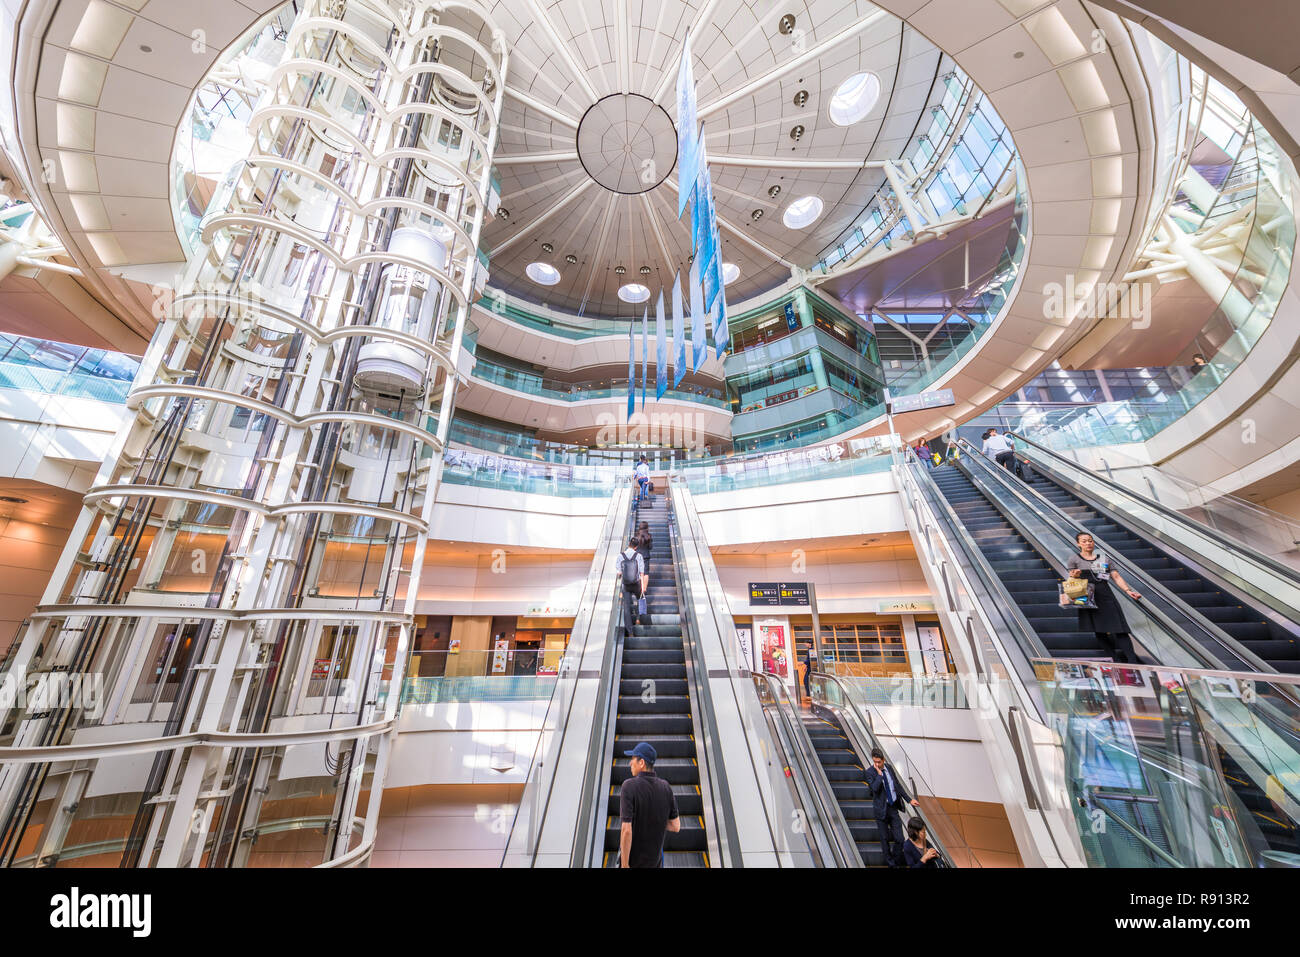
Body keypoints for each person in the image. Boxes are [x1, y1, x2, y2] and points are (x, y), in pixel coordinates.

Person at [1065, 531, 1142, 663]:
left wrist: (1128, 591)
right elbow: (1070, 580)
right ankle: (1116, 660)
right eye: (1084, 541)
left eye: (1090, 540)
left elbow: (1116, 576)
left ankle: (1132, 661)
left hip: (1105, 595)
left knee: (1120, 629)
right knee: (1099, 630)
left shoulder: (1103, 559)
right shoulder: (1074, 559)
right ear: (1078, 544)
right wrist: (1075, 575)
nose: (1088, 543)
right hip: (1087, 596)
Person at [619, 741, 680, 868]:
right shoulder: (666, 787)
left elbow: (626, 830)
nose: (630, 763)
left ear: (641, 762)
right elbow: (675, 826)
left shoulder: (628, 786)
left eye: (633, 759)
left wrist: (624, 865)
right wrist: (653, 821)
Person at [865, 747, 918, 867]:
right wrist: (879, 776)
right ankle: (892, 865)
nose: (877, 764)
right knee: (885, 840)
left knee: (900, 839)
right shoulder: (870, 772)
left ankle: (895, 859)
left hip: (893, 808)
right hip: (880, 810)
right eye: (875, 762)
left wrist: (909, 800)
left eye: (879, 762)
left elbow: (897, 785)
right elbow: (874, 789)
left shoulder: (889, 768)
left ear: (883, 759)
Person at [615, 537, 644, 637]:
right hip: (636, 583)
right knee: (638, 600)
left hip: (626, 584)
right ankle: (638, 618)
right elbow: (642, 572)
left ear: (629, 544)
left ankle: (630, 632)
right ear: (636, 547)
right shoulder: (639, 556)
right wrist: (643, 586)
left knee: (626, 608)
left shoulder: (620, 556)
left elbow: (618, 572)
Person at [635, 520, 652, 598]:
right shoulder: (649, 536)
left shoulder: (636, 536)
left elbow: (634, 547)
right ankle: (644, 589)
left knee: (639, 572)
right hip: (645, 556)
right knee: (646, 573)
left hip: (638, 557)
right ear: (647, 528)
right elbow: (650, 547)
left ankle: (639, 588)